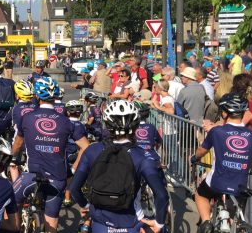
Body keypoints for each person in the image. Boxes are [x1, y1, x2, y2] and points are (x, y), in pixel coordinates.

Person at [69, 100, 169, 233]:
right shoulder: (142, 156)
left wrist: (86, 205)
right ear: (136, 125)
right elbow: (161, 195)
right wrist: (159, 223)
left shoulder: (92, 151)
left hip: (100, 221)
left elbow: (74, 188)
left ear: (107, 124)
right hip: (131, 222)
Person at [11, 77, 87, 233]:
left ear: (37, 96)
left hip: (31, 175)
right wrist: (73, 168)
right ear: (57, 95)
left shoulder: (27, 118)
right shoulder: (67, 122)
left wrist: (12, 158)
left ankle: (16, 227)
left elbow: (18, 144)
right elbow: (86, 147)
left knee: (11, 201)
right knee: (51, 224)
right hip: (57, 178)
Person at [191, 93, 252, 233]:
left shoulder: (217, 131)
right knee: (233, 211)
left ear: (224, 113)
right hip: (240, 183)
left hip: (218, 181)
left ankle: (205, 222)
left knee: (200, 194)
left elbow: (202, 151)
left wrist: (194, 158)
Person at [63, 99, 90, 207]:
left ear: (68, 112)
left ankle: (65, 195)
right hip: (75, 153)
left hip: (64, 153)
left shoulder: (64, 123)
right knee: (70, 176)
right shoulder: (81, 125)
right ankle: (67, 197)